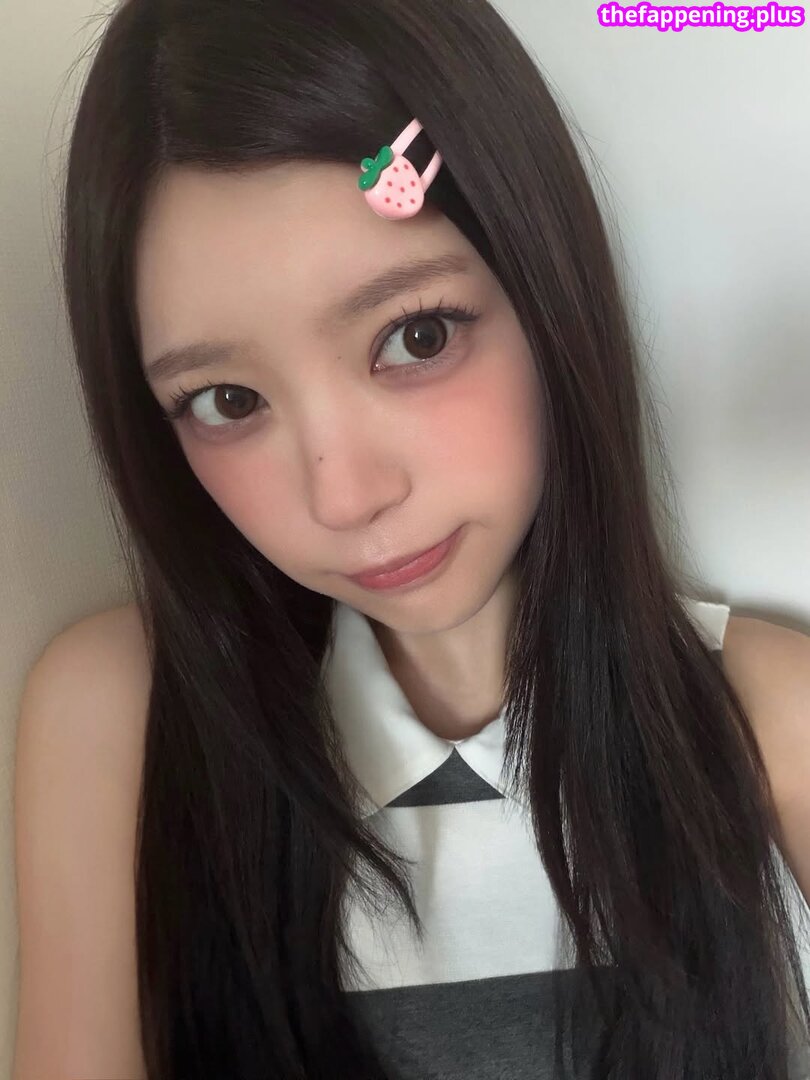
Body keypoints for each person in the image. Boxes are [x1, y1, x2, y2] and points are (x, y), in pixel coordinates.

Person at [12, 0, 810, 1077]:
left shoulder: (768, 719)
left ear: (546, 291)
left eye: (416, 336)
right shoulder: (128, 719)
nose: (344, 497)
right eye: (226, 400)